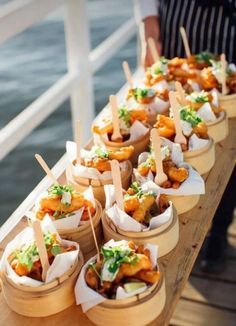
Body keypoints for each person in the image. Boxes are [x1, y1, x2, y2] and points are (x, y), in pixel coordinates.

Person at [134, 0, 236, 273]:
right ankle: (177, 233)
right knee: (176, 144)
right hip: (178, 20)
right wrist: (149, 24)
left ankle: (219, 231)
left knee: (229, 153)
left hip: (229, 29)